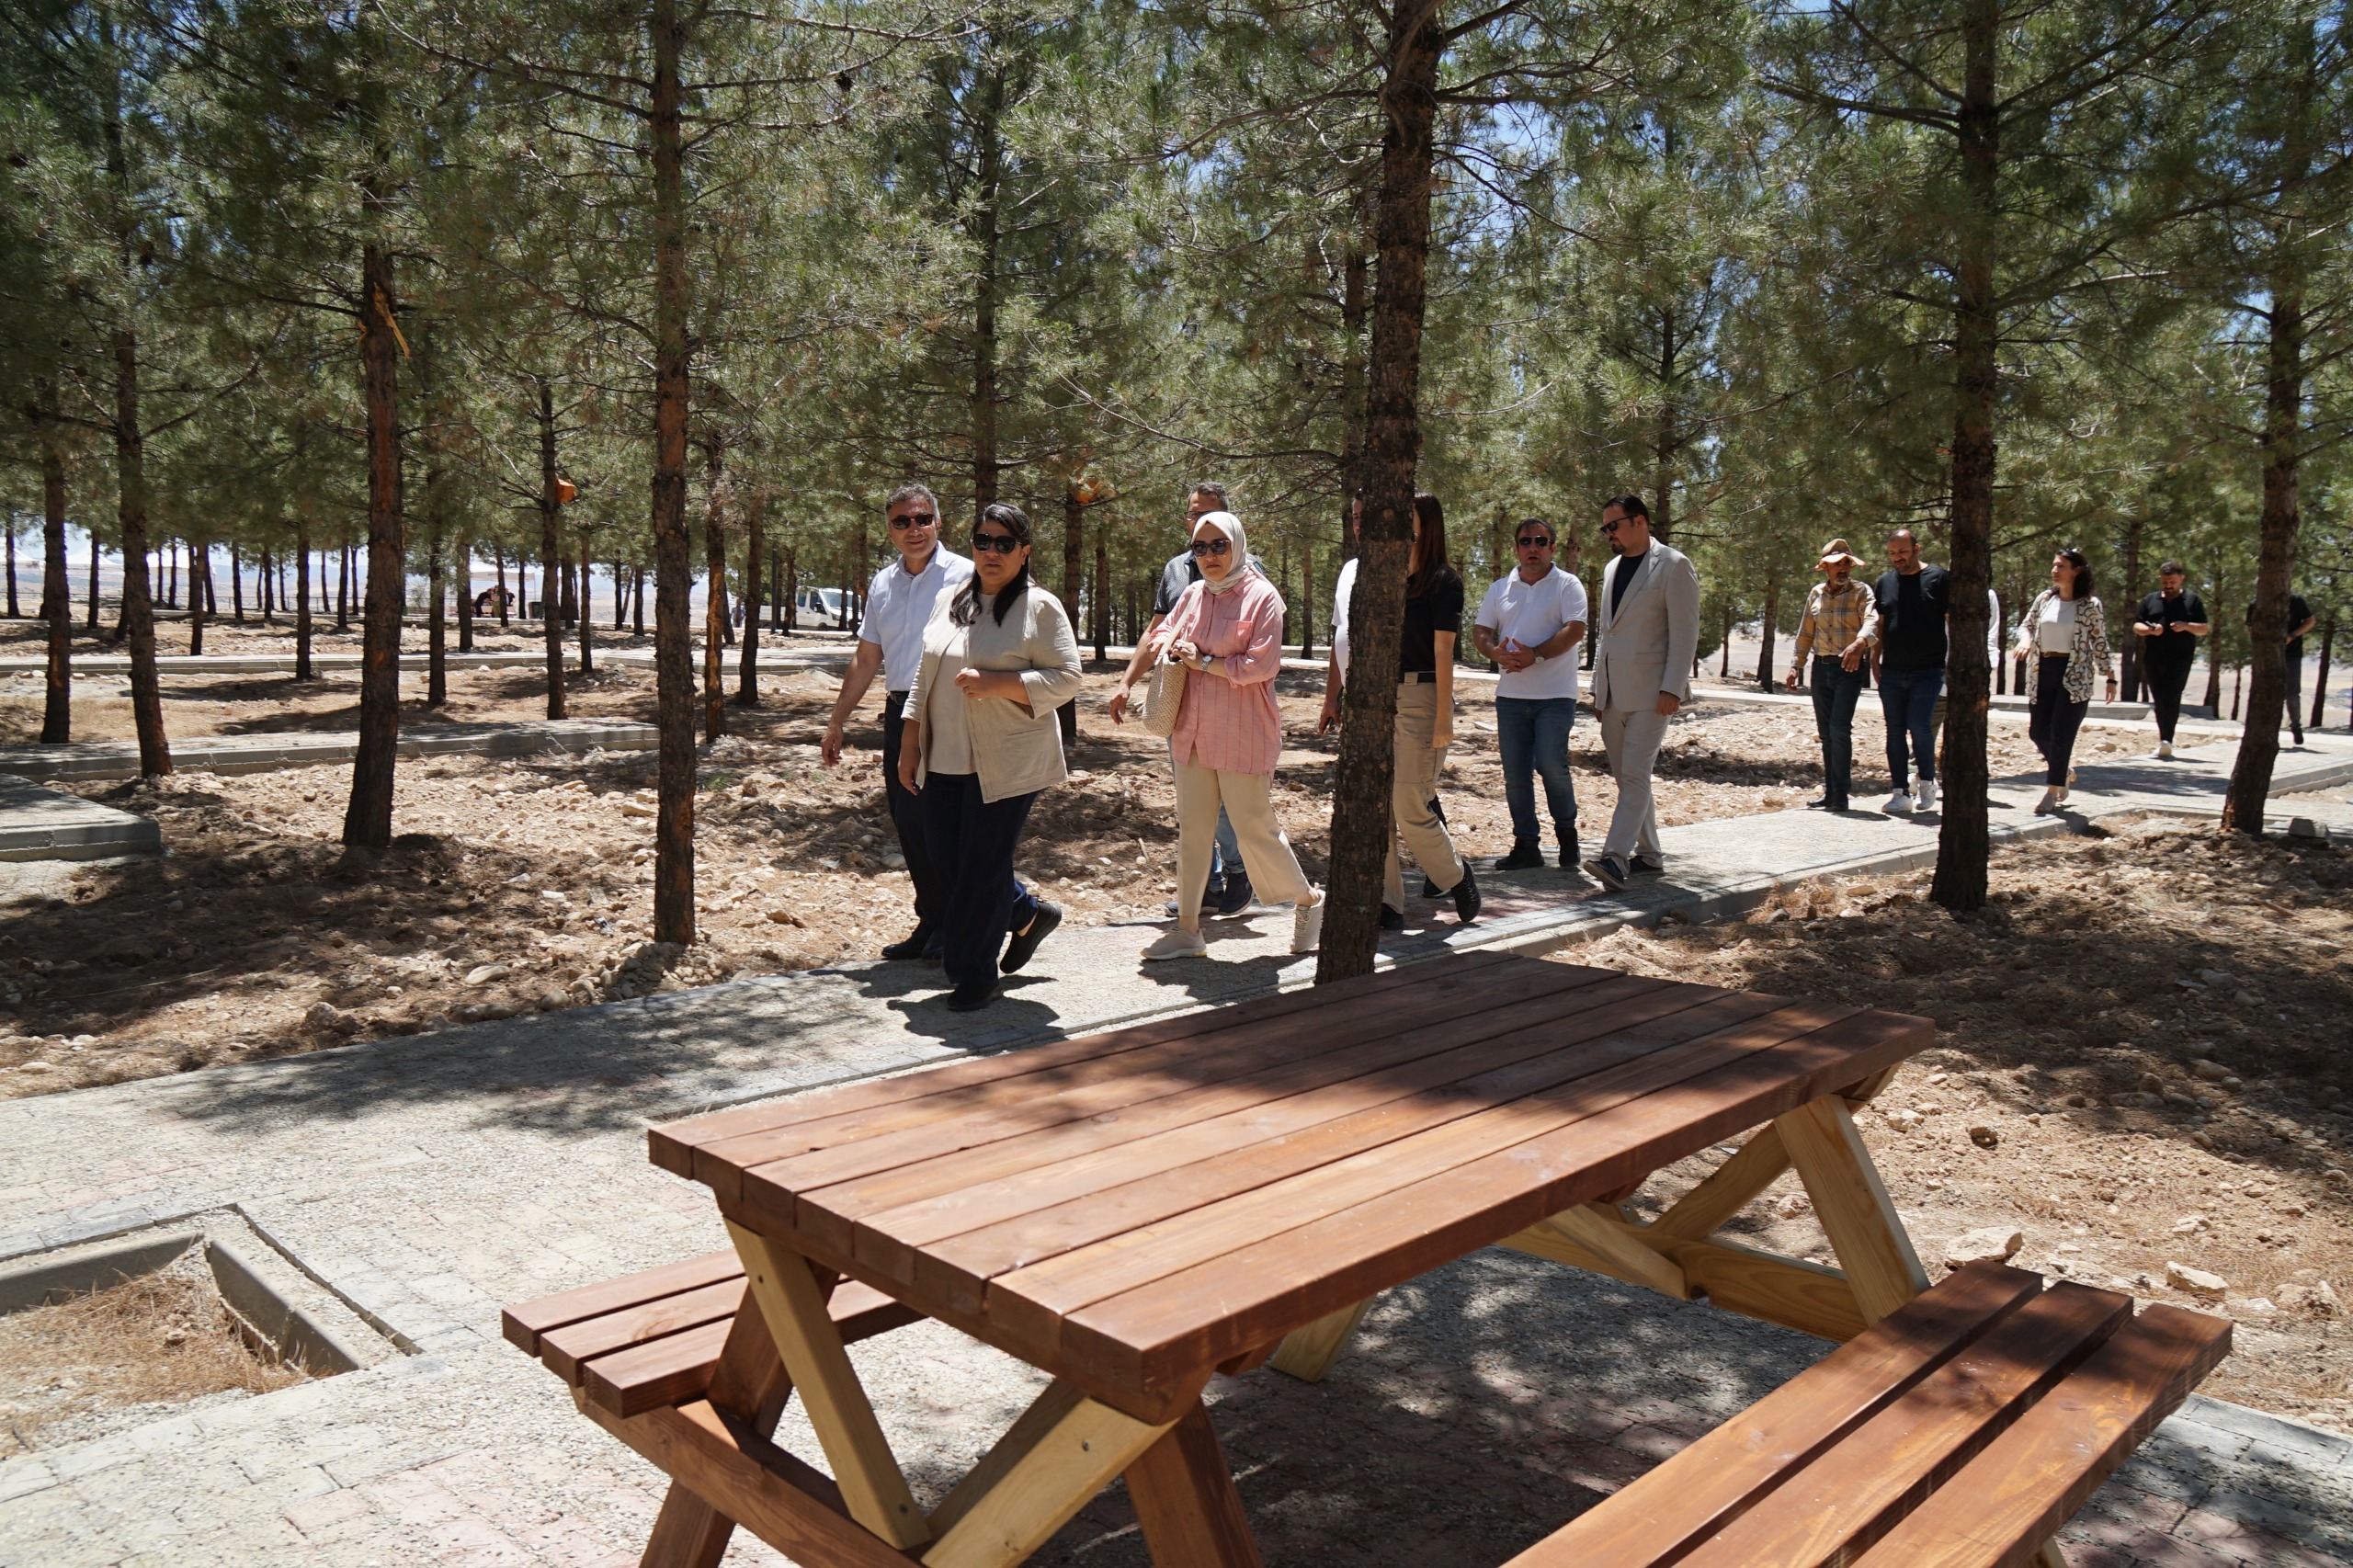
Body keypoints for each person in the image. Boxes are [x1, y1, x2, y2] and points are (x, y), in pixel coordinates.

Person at [1110, 512, 1325, 960]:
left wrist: (1203, 662)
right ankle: (1188, 930)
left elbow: (1262, 666)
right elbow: (1164, 628)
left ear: (1237, 546)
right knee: (1194, 831)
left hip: (1243, 733)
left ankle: (1308, 900)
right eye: (1200, 548)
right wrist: (1167, 644)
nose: (1209, 556)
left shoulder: (1263, 597)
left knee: (1254, 828)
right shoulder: (1193, 593)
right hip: (1190, 732)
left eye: (1219, 545)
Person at [896, 503, 1082, 1011]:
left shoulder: (1039, 606)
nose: (992, 552)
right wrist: (910, 743)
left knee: (979, 869)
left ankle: (974, 975)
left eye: (1005, 543)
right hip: (944, 756)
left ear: (1025, 551)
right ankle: (1027, 914)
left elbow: (1068, 678)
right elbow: (924, 673)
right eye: (983, 541)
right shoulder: (952, 597)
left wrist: (997, 683)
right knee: (950, 864)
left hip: (1007, 762)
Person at [823, 484, 974, 960]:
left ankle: (969, 924)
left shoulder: (966, 574)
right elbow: (868, 656)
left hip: (950, 709)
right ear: (889, 529)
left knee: (944, 822)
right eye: (902, 522)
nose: (914, 529)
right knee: (909, 820)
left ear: (938, 522)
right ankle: (933, 920)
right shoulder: (883, 583)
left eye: (922, 518)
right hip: (899, 710)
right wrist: (837, 721)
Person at [1317, 493, 1481, 927]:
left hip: (1421, 696)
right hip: (1375, 698)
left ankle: (1456, 875)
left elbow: (1443, 653)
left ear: (1425, 524)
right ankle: (1389, 902)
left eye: (1407, 518)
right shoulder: (1384, 575)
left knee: (1409, 802)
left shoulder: (1444, 581)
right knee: (1379, 805)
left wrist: (1444, 715)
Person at [1147, 483, 1254, 917]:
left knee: (1225, 800)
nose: (1206, 541)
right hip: (1180, 703)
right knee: (1191, 804)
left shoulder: (1252, 573)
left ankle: (1241, 874)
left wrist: (1205, 659)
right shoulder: (1177, 572)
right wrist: (1128, 679)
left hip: (1228, 706)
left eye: (1217, 536)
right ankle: (1204, 887)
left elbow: (1258, 653)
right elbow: (1159, 626)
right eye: (1194, 517)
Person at [1586, 494, 1699, 891]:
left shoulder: (1674, 564)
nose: (1608, 534)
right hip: (1613, 693)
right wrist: (1598, 688)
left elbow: (1685, 634)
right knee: (1628, 779)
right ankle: (1650, 855)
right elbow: (1607, 634)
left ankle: (1614, 858)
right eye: (1605, 528)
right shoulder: (1611, 568)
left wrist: (1673, 688)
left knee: (1635, 775)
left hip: (1653, 694)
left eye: (1613, 525)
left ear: (1639, 521)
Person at [1472, 517, 1588, 869]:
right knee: (1516, 774)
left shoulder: (1567, 584)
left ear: (1552, 548)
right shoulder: (1500, 588)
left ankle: (1567, 837)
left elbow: (1575, 630)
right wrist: (1495, 653)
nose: (1532, 547)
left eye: (1540, 541)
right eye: (1525, 542)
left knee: (1551, 765)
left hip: (1555, 695)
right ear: (1516, 548)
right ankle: (1526, 846)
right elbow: (1480, 631)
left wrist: (1534, 654)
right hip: (1511, 697)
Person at [2013, 547, 2116, 814]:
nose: (2055, 570)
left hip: (2075, 675)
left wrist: (2110, 676)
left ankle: (2052, 791)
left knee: (2061, 736)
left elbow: (2099, 640)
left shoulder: (2090, 605)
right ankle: (2063, 771)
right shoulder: (2045, 598)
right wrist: (2025, 640)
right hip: (2042, 671)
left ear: (2076, 571)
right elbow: (2026, 625)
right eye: (2054, 565)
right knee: (2038, 732)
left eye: (2061, 566)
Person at [1787, 540, 1879, 812]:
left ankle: (1841, 793)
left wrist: (1860, 643)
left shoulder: (1861, 591)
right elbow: (1806, 632)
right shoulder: (1816, 593)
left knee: (1839, 729)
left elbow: (1872, 621)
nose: (1843, 568)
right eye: (1837, 564)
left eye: (1846, 563)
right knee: (1826, 733)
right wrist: (1796, 665)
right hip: (1821, 668)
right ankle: (1830, 792)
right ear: (1825, 567)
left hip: (1849, 668)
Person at [1871, 528, 1950, 812]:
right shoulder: (1884, 582)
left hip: (1928, 669)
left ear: (1916, 549)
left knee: (1919, 725)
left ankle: (1927, 782)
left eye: (1903, 552)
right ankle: (1900, 793)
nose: (1898, 558)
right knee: (1894, 731)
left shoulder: (1939, 578)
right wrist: (1875, 660)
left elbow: (1952, 622)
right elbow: (1881, 624)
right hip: (1892, 670)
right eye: (1892, 553)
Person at [2132, 561, 2208, 758]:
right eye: (2165, 582)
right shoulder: (2151, 599)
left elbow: (2204, 628)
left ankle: (2167, 739)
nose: (2168, 586)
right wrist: (2151, 630)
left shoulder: (2192, 600)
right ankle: (2163, 739)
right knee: (2159, 698)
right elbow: (2137, 626)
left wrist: (2186, 626)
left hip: (2181, 658)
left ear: (2181, 579)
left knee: (2172, 696)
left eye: (2172, 582)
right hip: (2153, 657)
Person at [2244, 588, 2315, 747]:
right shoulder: (2255, 604)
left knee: (2292, 693)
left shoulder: (2295, 600)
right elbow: (2250, 628)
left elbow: (2310, 621)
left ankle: (2296, 726)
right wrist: (2260, 643)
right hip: (2267, 655)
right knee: (2267, 692)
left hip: (2292, 654)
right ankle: (2268, 730)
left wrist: (2292, 636)